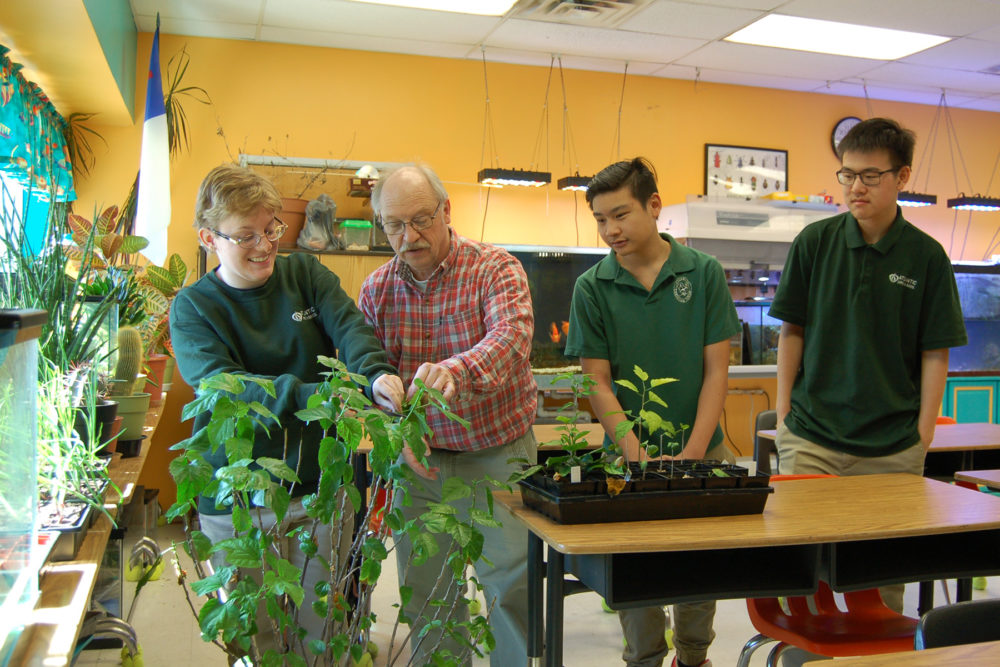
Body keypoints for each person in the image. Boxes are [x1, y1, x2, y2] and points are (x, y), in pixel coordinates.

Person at [169, 163, 404, 649]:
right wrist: (319, 397)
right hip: (237, 496)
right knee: (259, 636)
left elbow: (350, 328)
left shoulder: (305, 274)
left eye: (271, 228)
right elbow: (225, 387)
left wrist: (376, 372)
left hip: (318, 485)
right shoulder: (193, 308)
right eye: (245, 235)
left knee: (326, 628)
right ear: (208, 238)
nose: (265, 244)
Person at [770, 117, 967, 614]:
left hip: (892, 447)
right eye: (848, 174)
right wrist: (784, 412)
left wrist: (922, 433)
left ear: (902, 178)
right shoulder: (814, 242)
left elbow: (935, 351)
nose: (856, 187)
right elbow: (791, 331)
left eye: (870, 176)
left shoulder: (927, 257)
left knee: (881, 585)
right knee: (802, 575)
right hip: (812, 437)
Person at [357, 164, 537, 666]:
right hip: (418, 466)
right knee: (429, 592)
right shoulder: (376, 291)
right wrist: (386, 409)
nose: (408, 236)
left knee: (511, 586)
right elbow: (365, 370)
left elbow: (511, 339)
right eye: (394, 225)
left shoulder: (495, 268)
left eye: (420, 219)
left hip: (498, 455)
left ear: (446, 212)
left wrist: (457, 370)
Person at [564, 157, 740, 667]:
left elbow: (716, 373)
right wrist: (635, 453)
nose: (610, 230)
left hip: (702, 452)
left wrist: (691, 455)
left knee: (696, 572)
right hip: (628, 461)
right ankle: (642, 660)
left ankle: (693, 657)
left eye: (619, 214)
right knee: (635, 578)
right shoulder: (591, 288)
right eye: (599, 219)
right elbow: (596, 379)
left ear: (654, 205)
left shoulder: (702, 273)